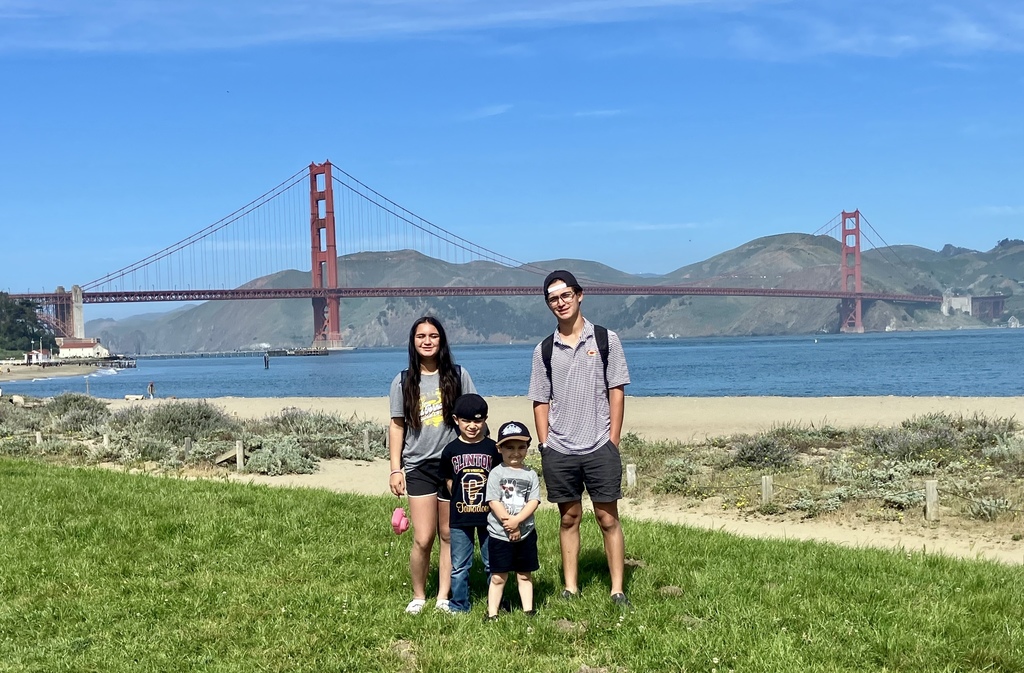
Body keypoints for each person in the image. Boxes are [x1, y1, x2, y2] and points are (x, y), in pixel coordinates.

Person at [527, 270, 632, 606]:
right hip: (559, 448)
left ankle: (617, 590)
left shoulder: (606, 339)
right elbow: (540, 400)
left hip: (600, 444)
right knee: (568, 517)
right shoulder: (543, 349)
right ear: (548, 304)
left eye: (565, 295)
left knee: (607, 517)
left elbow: (617, 391)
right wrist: (544, 445)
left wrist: (612, 441)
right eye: (553, 298)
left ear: (579, 295)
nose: (560, 303)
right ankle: (570, 588)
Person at [389, 316, 476, 615]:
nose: (427, 341)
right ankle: (418, 596)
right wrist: (395, 468)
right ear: (413, 342)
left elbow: (474, 414)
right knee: (423, 537)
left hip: (453, 465)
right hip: (418, 466)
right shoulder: (402, 381)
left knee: (449, 534)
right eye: (421, 336)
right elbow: (397, 426)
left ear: (442, 340)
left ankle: (443, 597)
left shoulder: (459, 375)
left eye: (434, 336)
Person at [439, 393, 501, 614]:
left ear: (485, 420)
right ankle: (458, 605)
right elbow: (447, 479)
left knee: (492, 563)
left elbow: (500, 478)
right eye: (467, 421)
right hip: (460, 517)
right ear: (456, 420)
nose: (472, 426)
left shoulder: (493, 449)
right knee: (460, 566)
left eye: (478, 420)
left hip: (489, 517)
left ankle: (497, 603)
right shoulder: (451, 450)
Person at [485, 421, 541, 620]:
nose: (515, 453)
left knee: (524, 574)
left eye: (521, 447)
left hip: (526, 533)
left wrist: (518, 521)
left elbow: (534, 501)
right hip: (500, 534)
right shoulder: (496, 473)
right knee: (499, 576)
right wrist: (509, 523)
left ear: (527, 448)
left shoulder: (531, 475)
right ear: (499, 448)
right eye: (509, 447)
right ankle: (492, 613)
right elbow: (493, 501)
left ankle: (528, 611)